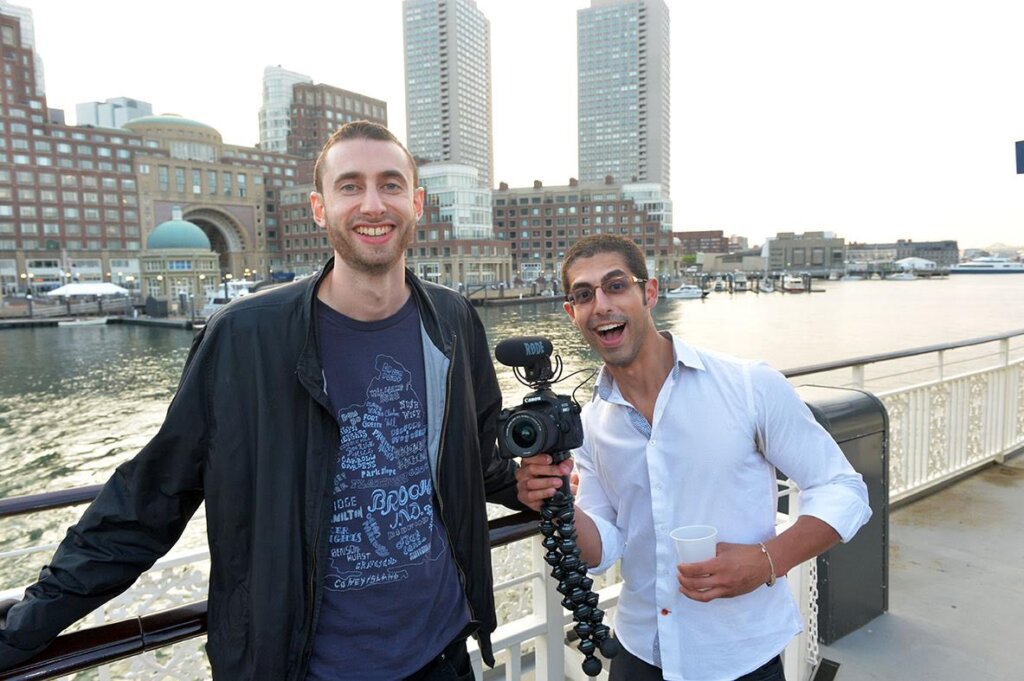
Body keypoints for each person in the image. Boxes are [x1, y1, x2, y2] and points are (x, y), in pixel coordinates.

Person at [0, 121, 523, 680]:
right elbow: (150, 499)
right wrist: (24, 628)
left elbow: (477, 455)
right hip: (301, 668)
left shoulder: (452, 320)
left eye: (390, 185)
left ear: (416, 203)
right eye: (351, 186)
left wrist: (536, 487)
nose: (373, 204)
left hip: (442, 653)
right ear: (320, 208)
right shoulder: (243, 337)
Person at [516, 235, 872, 681]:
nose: (601, 304)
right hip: (639, 651)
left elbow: (843, 489)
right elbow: (601, 547)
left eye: (616, 285)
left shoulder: (748, 386)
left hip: (739, 656)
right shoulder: (590, 425)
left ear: (649, 292)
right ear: (572, 314)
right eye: (584, 295)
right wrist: (555, 504)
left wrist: (768, 559)